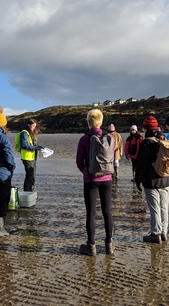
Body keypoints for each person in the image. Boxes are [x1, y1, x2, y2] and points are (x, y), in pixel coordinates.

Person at [76, 109, 115, 256]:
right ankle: (109, 245)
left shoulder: (84, 139)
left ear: (89, 122)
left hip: (91, 179)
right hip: (107, 179)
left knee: (91, 213)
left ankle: (91, 246)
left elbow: (79, 161)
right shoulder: (109, 137)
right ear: (101, 122)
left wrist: (87, 172)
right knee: (107, 212)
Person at [135, 116, 169, 243]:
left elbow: (141, 164)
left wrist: (138, 180)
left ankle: (155, 234)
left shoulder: (146, 142)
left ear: (145, 128)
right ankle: (164, 232)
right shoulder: (163, 138)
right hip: (166, 178)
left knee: (154, 207)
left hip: (152, 179)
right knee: (164, 207)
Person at [19, 119, 43, 192]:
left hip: (33, 157)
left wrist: (40, 147)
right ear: (28, 125)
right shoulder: (25, 133)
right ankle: (27, 192)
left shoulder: (32, 133)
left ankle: (30, 191)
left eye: (35, 126)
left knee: (32, 176)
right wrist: (35, 148)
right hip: (27, 157)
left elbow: (33, 144)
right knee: (30, 175)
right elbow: (24, 145)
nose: (33, 127)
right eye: (32, 126)